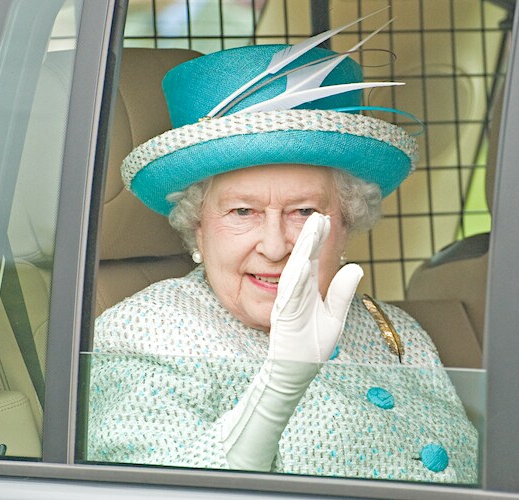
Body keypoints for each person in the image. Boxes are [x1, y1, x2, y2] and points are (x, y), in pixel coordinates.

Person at [88, 30, 478, 484]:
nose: (275, 247)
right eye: (242, 211)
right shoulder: (142, 333)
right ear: (198, 224)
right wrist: (278, 387)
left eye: (305, 212)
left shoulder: (391, 328)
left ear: (347, 221)